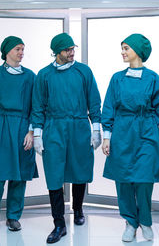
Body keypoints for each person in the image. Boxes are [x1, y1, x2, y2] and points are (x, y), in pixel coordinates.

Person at [101, 34, 159, 242]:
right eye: (122, 48)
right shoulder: (117, 78)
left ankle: (145, 221)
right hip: (123, 132)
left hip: (147, 132)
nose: (122, 52)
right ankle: (130, 222)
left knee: (144, 179)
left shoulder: (152, 78)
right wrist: (107, 136)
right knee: (123, 180)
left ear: (137, 51)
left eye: (126, 48)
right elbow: (108, 107)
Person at [32, 33, 102, 244]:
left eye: (73, 49)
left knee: (79, 169)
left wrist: (96, 127)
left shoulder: (83, 71)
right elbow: (38, 106)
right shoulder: (44, 75)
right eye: (67, 50)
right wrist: (37, 133)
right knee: (54, 173)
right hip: (54, 127)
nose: (72, 53)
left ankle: (78, 208)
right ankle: (59, 224)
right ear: (56, 52)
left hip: (79, 125)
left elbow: (94, 100)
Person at [0, 36, 38, 236]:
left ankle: (13, 217)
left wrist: (31, 131)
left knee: (18, 175)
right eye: (17, 49)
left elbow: (36, 107)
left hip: (21, 128)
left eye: (23, 49)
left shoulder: (30, 77)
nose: (21, 52)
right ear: (7, 52)